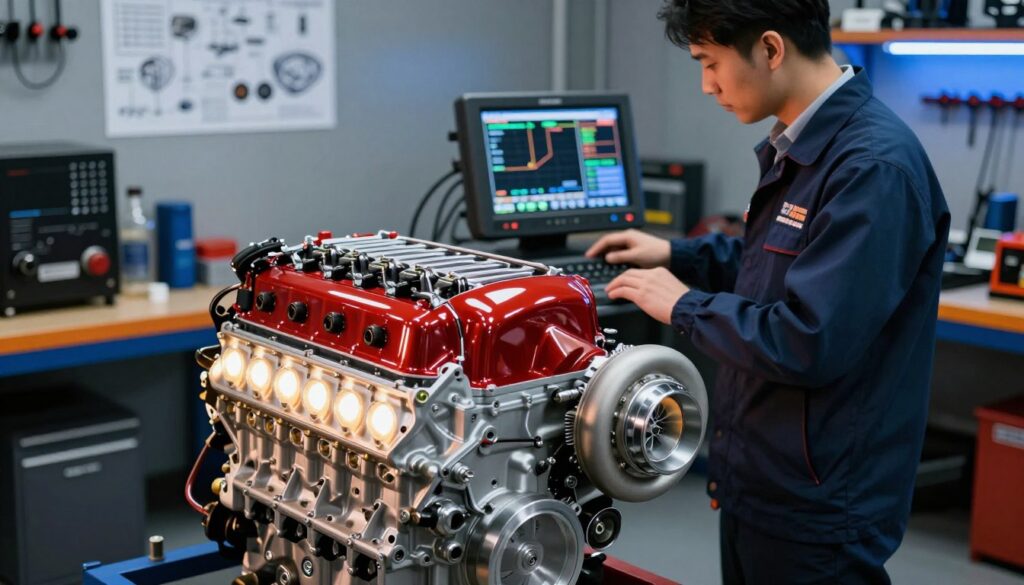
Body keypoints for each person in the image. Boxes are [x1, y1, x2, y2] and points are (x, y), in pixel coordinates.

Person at [586, 1, 950, 583]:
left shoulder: (872, 167)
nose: (706, 86)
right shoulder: (800, 146)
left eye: (709, 62)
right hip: (761, 477)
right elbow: (774, 265)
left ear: (771, 49)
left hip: (819, 502)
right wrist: (677, 253)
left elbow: (808, 338)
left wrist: (682, 305)